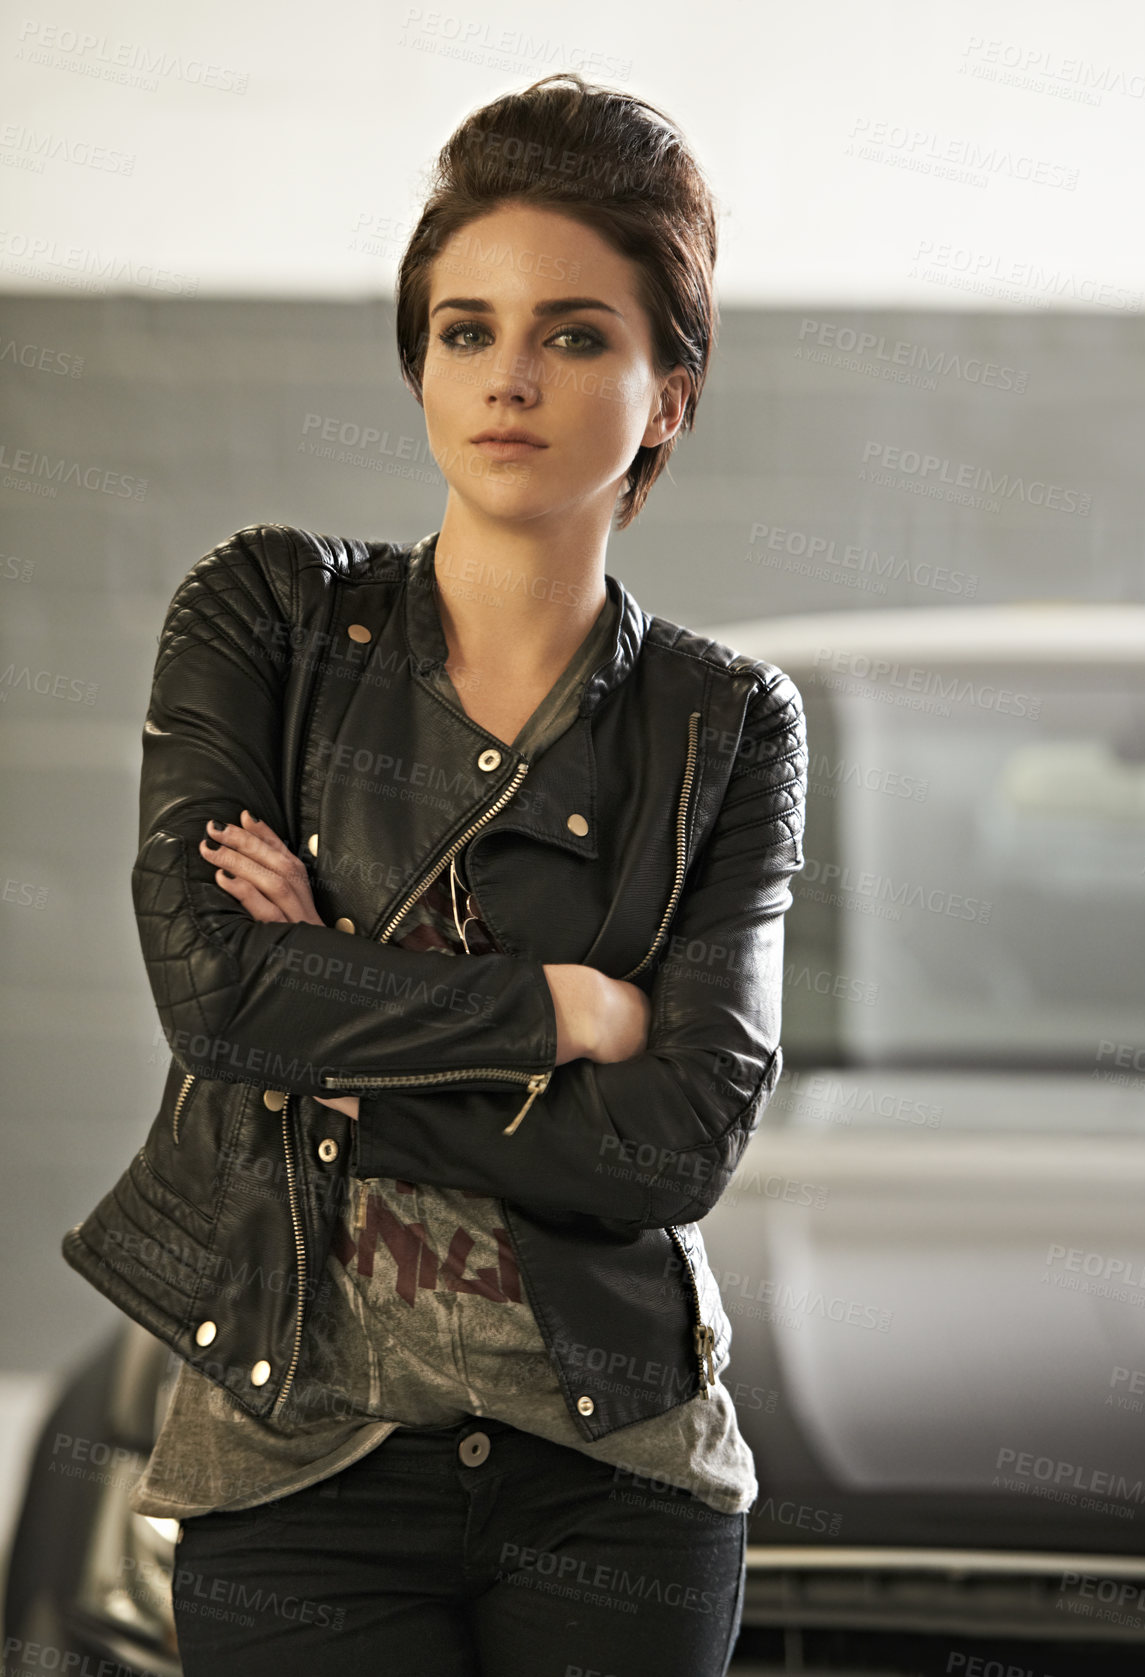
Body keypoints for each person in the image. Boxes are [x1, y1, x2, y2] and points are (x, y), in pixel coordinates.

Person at [62, 71, 807, 1675]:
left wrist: (327, 1021)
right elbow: (214, 991)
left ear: (668, 394)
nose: (509, 378)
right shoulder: (263, 618)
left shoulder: (726, 723)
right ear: (419, 363)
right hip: (296, 1456)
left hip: (620, 1469)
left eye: (576, 334)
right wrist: (557, 1008)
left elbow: (674, 1145)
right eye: (466, 330)